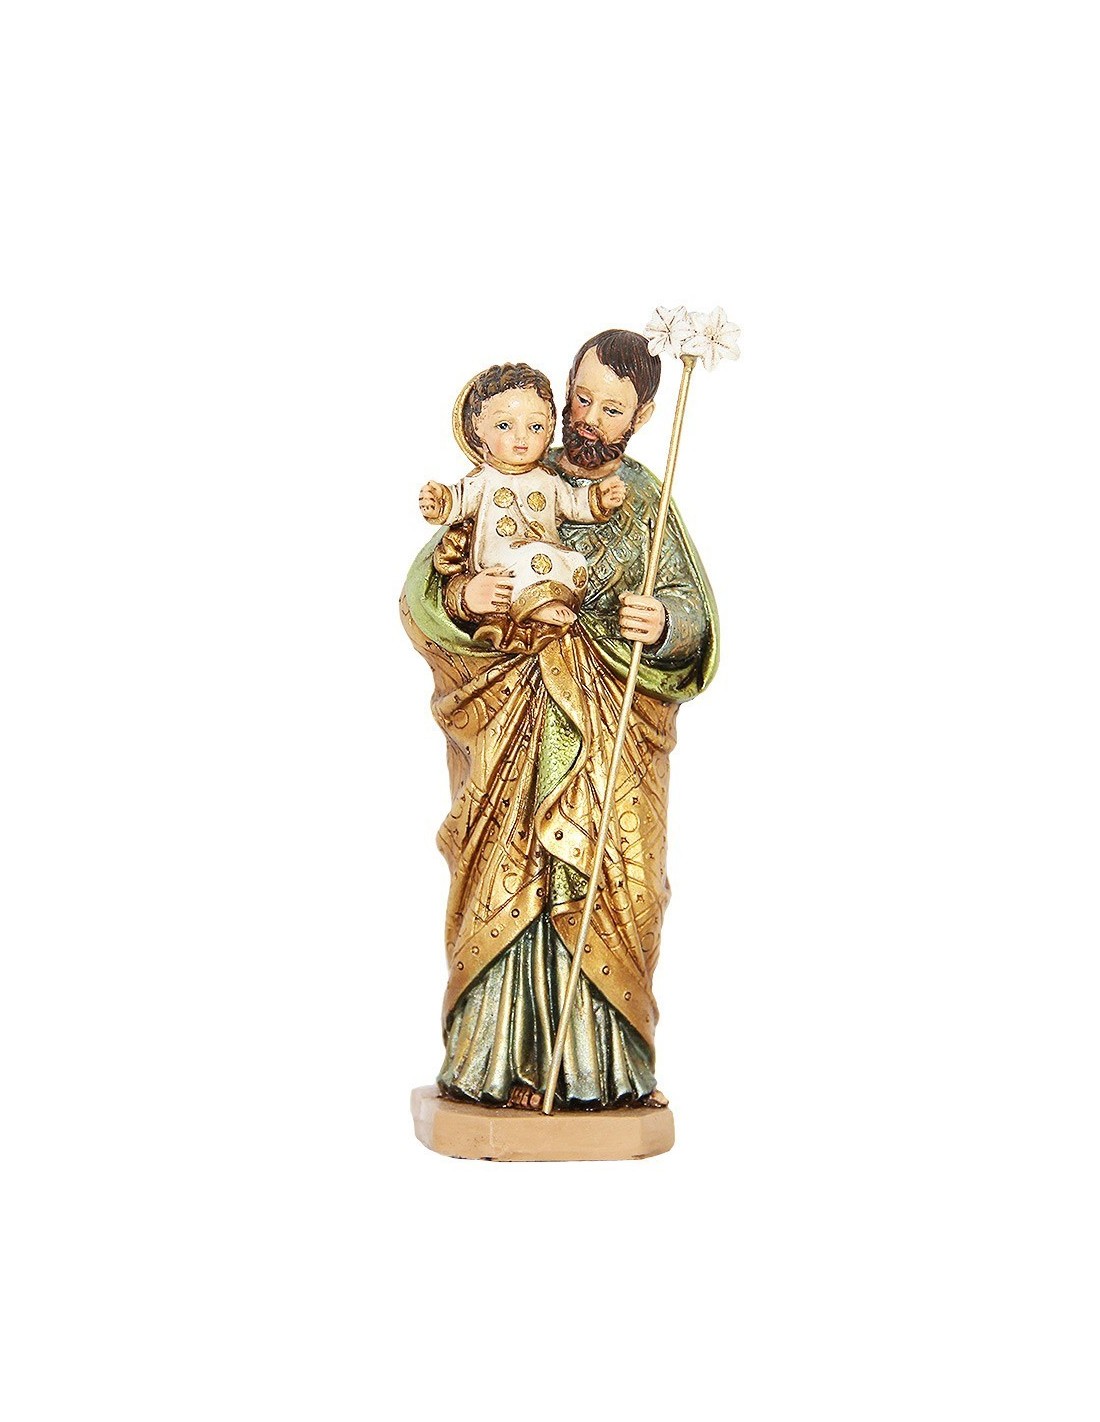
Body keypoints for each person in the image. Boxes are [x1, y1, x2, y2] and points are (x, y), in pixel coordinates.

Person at [401, 329, 718, 1110]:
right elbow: (426, 588)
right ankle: (496, 1062)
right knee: (510, 876)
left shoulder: (642, 498)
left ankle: (603, 1071)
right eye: (579, 398)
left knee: (620, 886)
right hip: (514, 717)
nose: (587, 419)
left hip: (613, 728)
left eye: (611, 408)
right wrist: (463, 599)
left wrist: (663, 623)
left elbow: (694, 612)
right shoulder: (511, 471)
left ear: (641, 416)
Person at [418, 362, 626, 630]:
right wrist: (438, 502)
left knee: (574, 561)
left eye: (535, 427)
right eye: (505, 425)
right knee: (530, 558)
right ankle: (533, 606)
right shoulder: (483, 478)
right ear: (479, 426)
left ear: (549, 428)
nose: (521, 438)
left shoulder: (548, 478)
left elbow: (573, 504)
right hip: (501, 558)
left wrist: (599, 498)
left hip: (544, 552)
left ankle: (552, 601)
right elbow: (458, 501)